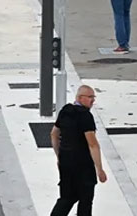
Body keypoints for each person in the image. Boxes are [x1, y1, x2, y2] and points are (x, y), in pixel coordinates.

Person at [50, 85, 108, 216]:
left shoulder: (65, 111)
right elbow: (92, 144)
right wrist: (100, 169)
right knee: (85, 201)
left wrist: (59, 156)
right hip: (83, 165)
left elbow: (54, 134)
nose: (93, 100)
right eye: (90, 97)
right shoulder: (85, 116)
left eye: (94, 97)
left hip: (66, 164)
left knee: (66, 198)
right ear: (80, 98)